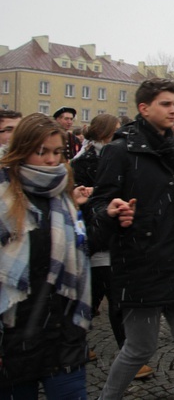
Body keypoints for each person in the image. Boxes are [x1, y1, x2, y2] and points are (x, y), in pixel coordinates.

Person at [88, 78, 174, 398]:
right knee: (140, 348)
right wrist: (112, 211)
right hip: (141, 265)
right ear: (144, 108)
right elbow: (100, 203)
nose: (173, 110)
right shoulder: (119, 150)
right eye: (166, 104)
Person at [0, 113, 92, 398]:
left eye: (58, 152)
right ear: (23, 148)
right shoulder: (4, 195)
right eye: (42, 152)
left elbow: (77, 248)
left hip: (62, 333)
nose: (52, 161)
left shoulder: (61, 191)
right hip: (14, 336)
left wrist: (109, 219)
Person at [71, 114, 157, 381]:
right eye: (117, 130)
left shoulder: (123, 155)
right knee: (99, 294)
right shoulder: (84, 161)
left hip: (114, 232)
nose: (122, 134)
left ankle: (119, 351)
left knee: (107, 293)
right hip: (96, 232)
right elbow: (95, 197)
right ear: (105, 132)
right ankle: (90, 345)